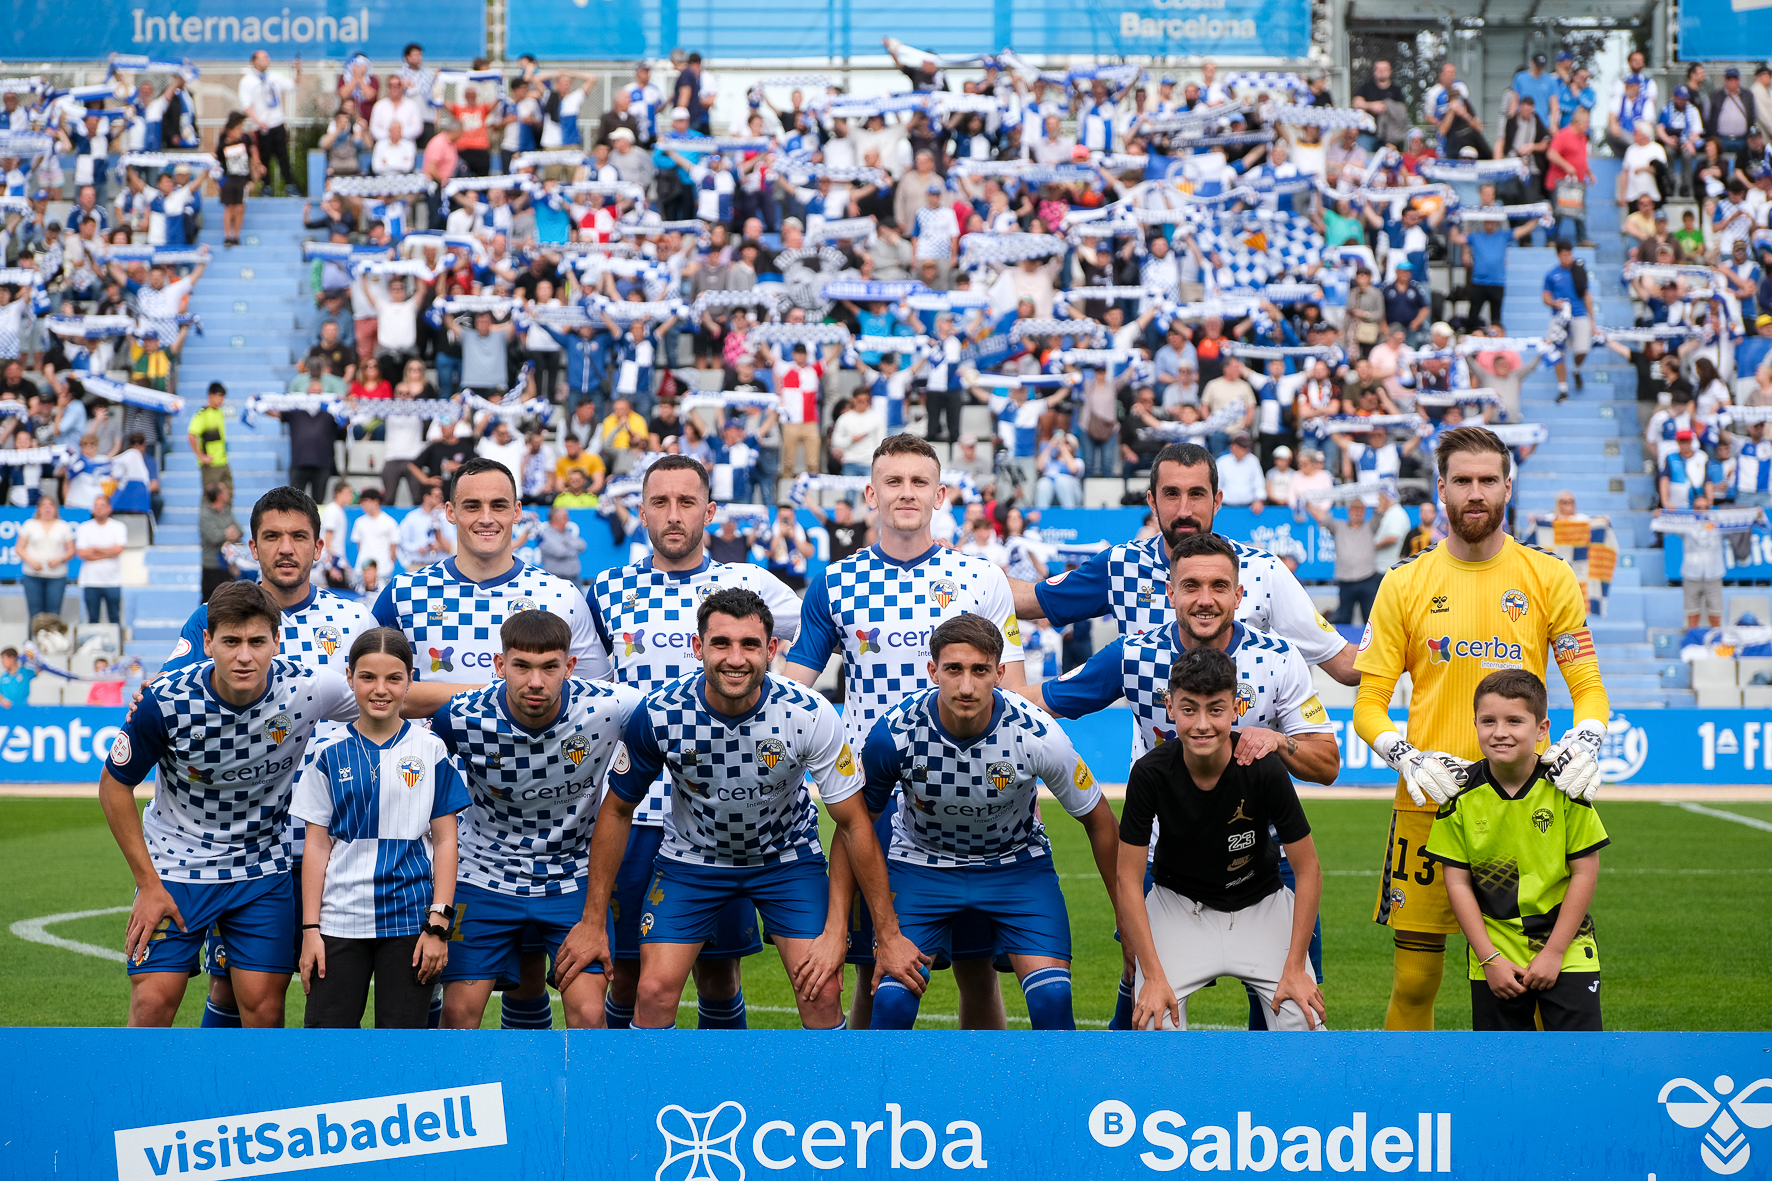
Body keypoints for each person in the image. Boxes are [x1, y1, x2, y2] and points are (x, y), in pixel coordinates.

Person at [564, 588, 925, 1030]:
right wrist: (592, 920)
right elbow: (618, 811)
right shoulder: (659, 713)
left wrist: (877, 935)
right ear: (698, 648)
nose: (736, 658)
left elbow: (852, 824)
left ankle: (834, 1100)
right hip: (690, 862)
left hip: (786, 860)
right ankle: (649, 1100)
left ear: (772, 649)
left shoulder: (809, 713)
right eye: (721, 643)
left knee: (823, 988)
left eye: (750, 645)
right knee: (653, 991)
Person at [1026, 530, 1339, 1029]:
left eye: (1219, 586)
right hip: (1163, 862)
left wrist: (1279, 741)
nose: (1205, 599)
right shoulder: (1133, 656)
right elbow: (1041, 700)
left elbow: (1327, 762)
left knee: (1294, 1010)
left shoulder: (1279, 657)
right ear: (1170, 592)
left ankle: (1269, 1106)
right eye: (1190, 585)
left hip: (1261, 856)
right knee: (1142, 1001)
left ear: (1240, 595)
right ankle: (1126, 1104)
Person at [1353, 425, 1609, 1031]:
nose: (1475, 493)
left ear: (1507, 486)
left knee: (1534, 986)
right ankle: (1405, 1116)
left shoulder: (1549, 577)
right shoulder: (1404, 582)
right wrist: (1402, 755)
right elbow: (1369, 703)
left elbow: (1588, 685)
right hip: (1429, 806)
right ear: (1440, 489)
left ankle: (1535, 1117)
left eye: (1487, 480)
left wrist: (1590, 734)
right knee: (1415, 982)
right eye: (1462, 480)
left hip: (1528, 812)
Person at [784, 434, 1025, 1031]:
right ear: (871, 492)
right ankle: (868, 1111)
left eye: (919, 482)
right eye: (893, 481)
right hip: (874, 797)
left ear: (940, 495)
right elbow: (794, 689)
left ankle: (981, 1102)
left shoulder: (981, 578)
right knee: (872, 964)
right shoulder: (835, 583)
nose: (906, 493)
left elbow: (1014, 690)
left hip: (971, 791)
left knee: (975, 966)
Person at [371, 456, 602, 1030]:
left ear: (519, 513)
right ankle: (436, 1100)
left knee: (529, 975)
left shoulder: (560, 595)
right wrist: (489, 694)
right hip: (424, 810)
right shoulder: (406, 592)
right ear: (448, 512)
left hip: (539, 813)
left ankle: (525, 1104)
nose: (485, 517)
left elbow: (592, 697)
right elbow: (376, 688)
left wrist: (444, 694)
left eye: (499, 505)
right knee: (427, 974)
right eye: (471, 505)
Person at [579, 454, 804, 1030]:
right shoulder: (608, 589)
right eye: (660, 502)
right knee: (626, 971)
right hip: (635, 809)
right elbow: (597, 691)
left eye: (686, 503)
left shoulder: (749, 583)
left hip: (720, 811)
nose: (673, 516)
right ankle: (626, 1096)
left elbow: (801, 645)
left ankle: (717, 1091)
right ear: (642, 512)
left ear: (709, 510)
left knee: (718, 971)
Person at [97, 582, 363, 1026]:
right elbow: (113, 786)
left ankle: (255, 1098)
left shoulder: (308, 687)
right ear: (208, 643)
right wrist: (147, 884)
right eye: (231, 642)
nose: (245, 656)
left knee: (262, 1005)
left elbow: (388, 700)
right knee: (154, 1002)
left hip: (259, 870)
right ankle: (143, 1097)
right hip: (175, 868)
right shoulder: (165, 702)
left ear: (276, 641)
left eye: (257, 642)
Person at [859, 613, 1119, 1030]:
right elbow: (855, 827)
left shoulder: (1038, 734)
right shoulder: (894, 733)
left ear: (999, 673)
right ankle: (883, 1098)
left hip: (1017, 867)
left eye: (980, 670)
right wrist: (883, 931)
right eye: (953, 670)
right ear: (933, 671)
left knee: (1053, 997)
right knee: (891, 1001)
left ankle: (1054, 1097)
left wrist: (1125, 917)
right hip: (922, 867)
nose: (966, 685)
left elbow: (1100, 820)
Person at [426, 610, 642, 1029]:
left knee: (590, 1013)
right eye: (521, 666)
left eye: (549, 667)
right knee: (457, 1014)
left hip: (571, 875)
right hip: (482, 873)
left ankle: (584, 1097)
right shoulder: (460, 716)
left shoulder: (611, 706)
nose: (536, 682)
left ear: (570, 666)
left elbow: (674, 715)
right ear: (500, 665)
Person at [1115, 645, 1326, 1031]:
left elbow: (1308, 868)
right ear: (1170, 706)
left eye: (1215, 709)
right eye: (1189, 708)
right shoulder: (1149, 774)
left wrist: (1295, 967)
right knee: (1152, 1023)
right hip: (1178, 905)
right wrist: (1153, 974)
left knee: (1306, 1026)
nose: (1202, 724)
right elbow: (1127, 878)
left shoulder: (1263, 766)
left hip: (1261, 902)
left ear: (1235, 709)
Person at [294, 627, 469, 1028]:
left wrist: (438, 924)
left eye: (394, 678)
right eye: (368, 677)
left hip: (410, 922)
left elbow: (445, 841)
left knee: (402, 1051)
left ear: (410, 680)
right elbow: (317, 847)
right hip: (339, 922)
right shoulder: (326, 752)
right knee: (328, 1046)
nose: (380, 689)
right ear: (350, 677)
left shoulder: (430, 749)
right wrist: (310, 931)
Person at [1427, 669, 1607, 1031]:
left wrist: (1554, 953)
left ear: (1542, 729)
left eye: (1515, 720)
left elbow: (1585, 872)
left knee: (1580, 1067)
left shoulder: (1566, 787)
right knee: (1502, 1075)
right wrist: (1488, 958)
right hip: (1494, 954)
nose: (1500, 732)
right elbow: (1458, 884)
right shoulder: (1458, 797)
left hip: (1567, 948)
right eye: (1488, 721)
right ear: (1475, 724)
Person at [1307, 496, 1381, 624]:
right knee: (1344, 619)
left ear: (1365, 512)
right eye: (1354, 508)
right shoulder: (1338, 526)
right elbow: (1319, 516)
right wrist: (1306, 499)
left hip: (1367, 578)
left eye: (1360, 509)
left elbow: (1383, 507)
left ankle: (1370, 645)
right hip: (1346, 581)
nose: (1357, 512)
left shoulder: (1370, 526)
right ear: (1349, 510)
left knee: (1370, 620)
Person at [1543, 240, 1596, 402]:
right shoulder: (1552, 274)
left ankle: (1577, 369)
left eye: (1569, 254)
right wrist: (1554, 303)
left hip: (1579, 314)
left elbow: (1587, 295)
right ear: (1558, 255)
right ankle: (1563, 388)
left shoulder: (1578, 271)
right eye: (1564, 254)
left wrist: (1592, 319)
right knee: (1557, 352)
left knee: (1583, 349)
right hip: (1560, 317)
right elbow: (1546, 297)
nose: (1568, 257)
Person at [18, 497, 75, 621]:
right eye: (44, 505)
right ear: (39, 509)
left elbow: (71, 550)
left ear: (55, 508)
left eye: (51, 505)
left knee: (54, 613)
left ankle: (52, 639)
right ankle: (35, 639)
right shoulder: (30, 525)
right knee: (35, 613)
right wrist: (31, 561)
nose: (47, 508)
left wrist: (60, 559)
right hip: (33, 574)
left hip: (56, 575)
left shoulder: (63, 526)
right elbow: (19, 548)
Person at [75, 493, 127, 624]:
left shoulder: (119, 527)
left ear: (109, 508)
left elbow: (118, 550)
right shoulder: (84, 527)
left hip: (113, 580)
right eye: (96, 506)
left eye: (102, 505)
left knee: (114, 617)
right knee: (92, 618)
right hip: (90, 580)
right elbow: (82, 553)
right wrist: (108, 552)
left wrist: (95, 549)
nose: (98, 509)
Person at [199, 481, 241, 601]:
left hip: (229, 565)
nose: (228, 492)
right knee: (210, 600)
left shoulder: (227, 511)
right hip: (212, 565)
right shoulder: (205, 514)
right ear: (219, 495)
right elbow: (213, 537)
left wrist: (226, 534)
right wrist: (227, 533)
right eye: (224, 490)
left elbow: (239, 530)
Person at [188, 382, 232, 493]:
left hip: (222, 461)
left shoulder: (219, 412)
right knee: (210, 497)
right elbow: (191, 435)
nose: (221, 399)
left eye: (223, 396)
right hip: (211, 464)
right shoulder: (203, 414)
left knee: (227, 494)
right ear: (210, 395)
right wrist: (201, 456)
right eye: (219, 395)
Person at [349, 487, 400, 576]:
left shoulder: (389, 522)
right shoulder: (359, 522)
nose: (363, 504)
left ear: (375, 502)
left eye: (366, 501)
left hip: (383, 570)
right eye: (362, 502)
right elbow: (359, 546)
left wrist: (389, 566)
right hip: (362, 570)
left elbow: (393, 547)